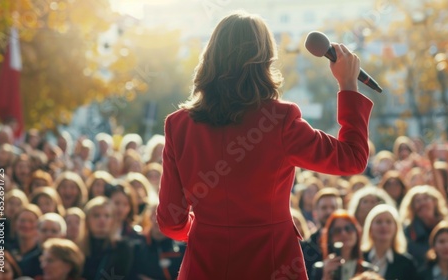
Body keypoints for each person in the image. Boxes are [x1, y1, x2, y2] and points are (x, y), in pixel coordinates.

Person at [156, 11, 373, 280]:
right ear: (265, 60)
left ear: (210, 56)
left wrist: (209, 230)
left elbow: (170, 221)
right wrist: (348, 84)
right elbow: (352, 158)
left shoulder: (179, 125)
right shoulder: (279, 120)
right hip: (273, 263)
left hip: (204, 265)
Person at [311, 210, 377, 280]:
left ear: (356, 233)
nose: (343, 233)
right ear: (330, 237)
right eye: (337, 230)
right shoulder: (320, 270)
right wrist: (326, 277)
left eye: (348, 228)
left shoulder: (369, 270)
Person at [361, 204, 419, 280]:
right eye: (378, 222)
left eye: (388, 222)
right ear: (370, 227)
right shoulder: (360, 258)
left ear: (396, 228)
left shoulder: (406, 263)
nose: (384, 226)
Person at [302, 187, 343, 274]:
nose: (329, 211)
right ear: (315, 213)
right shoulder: (305, 247)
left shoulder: (350, 240)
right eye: (324, 208)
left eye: (333, 207)